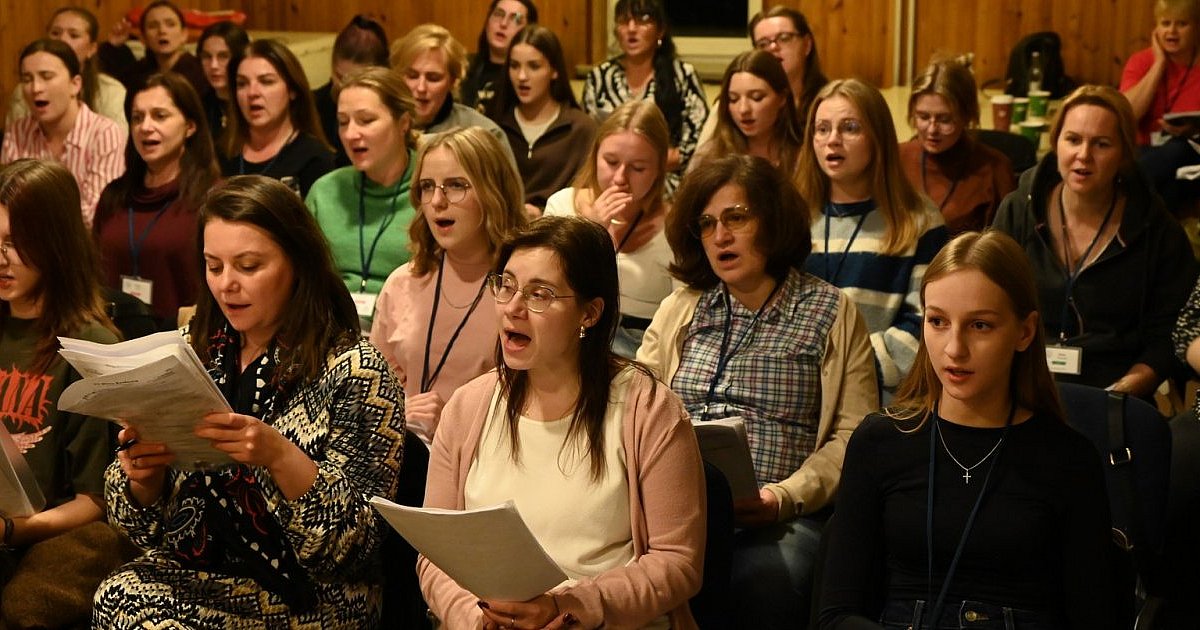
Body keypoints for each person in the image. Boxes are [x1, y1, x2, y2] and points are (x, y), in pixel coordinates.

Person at [92, 175, 406, 627]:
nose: (226, 285)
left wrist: (278, 455)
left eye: (249, 266)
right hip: (202, 567)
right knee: (116, 597)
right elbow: (139, 530)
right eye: (213, 266)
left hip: (311, 593)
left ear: (296, 262)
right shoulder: (192, 349)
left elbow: (357, 549)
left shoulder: (356, 369)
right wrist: (144, 481)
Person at [818, 230, 1117, 629]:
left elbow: (1094, 617)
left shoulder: (1067, 459)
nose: (953, 348)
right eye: (937, 321)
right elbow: (836, 614)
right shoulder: (880, 442)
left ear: (1024, 332)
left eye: (980, 326)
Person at [418, 215, 705, 629]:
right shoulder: (468, 406)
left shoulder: (649, 409)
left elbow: (677, 563)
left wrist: (571, 607)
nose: (514, 308)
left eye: (540, 294)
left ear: (589, 313)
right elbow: (435, 554)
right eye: (507, 285)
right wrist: (474, 618)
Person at [638, 154, 878, 629]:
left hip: (778, 515)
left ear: (773, 221)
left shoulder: (829, 311)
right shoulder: (681, 307)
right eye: (706, 224)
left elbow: (855, 437)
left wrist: (783, 496)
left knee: (762, 581)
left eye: (736, 218)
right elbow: (637, 409)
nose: (720, 236)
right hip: (673, 509)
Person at [994, 85, 1197, 398]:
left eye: (1101, 144)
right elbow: (988, 303)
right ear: (1056, 143)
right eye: (1073, 140)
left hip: (1114, 387)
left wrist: (1125, 389)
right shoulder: (1019, 209)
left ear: (1125, 154)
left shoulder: (1156, 228)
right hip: (1021, 381)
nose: (1083, 156)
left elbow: (1170, 334)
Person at [0, 159, 122, 628]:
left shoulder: (88, 346)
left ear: (53, 241)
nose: (2, 256)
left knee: (23, 607)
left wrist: (13, 529)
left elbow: (96, 502)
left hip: (52, 532)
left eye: (15, 242)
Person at [370, 127, 527, 442]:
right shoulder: (403, 282)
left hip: (488, 458)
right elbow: (371, 396)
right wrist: (402, 411)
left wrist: (454, 424)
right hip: (405, 458)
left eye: (456, 186)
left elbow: (535, 406)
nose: (437, 201)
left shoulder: (521, 290)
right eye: (428, 187)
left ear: (492, 191)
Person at [797, 79, 948, 394]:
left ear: (877, 138)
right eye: (822, 129)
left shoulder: (919, 219)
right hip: (797, 391)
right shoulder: (794, 217)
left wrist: (845, 371)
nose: (832, 140)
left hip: (879, 395)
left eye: (849, 128)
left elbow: (927, 324)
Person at [544, 100, 673, 359]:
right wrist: (592, 232)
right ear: (595, 156)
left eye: (638, 168)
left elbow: (684, 315)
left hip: (641, 348)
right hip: (569, 337)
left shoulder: (675, 226)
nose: (620, 178)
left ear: (659, 169)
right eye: (611, 162)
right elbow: (545, 287)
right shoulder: (562, 204)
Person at [94, 73, 220, 330]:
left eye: (160, 116)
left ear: (190, 126)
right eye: (137, 118)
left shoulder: (212, 199)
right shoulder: (114, 196)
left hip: (185, 340)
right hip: (113, 339)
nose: (145, 127)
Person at [306, 68, 418, 327]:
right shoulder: (325, 191)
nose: (350, 134)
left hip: (408, 332)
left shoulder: (431, 190)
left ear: (404, 123)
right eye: (343, 122)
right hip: (331, 331)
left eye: (366, 120)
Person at [583, 0, 708, 195]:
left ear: (660, 31)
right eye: (624, 21)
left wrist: (644, 166)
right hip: (609, 180)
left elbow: (700, 144)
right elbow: (589, 139)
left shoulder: (683, 75)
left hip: (671, 185)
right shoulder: (599, 77)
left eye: (642, 21)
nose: (631, 29)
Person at [1, 39, 125, 226]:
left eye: (47, 76)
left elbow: (95, 213)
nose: (36, 88)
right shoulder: (18, 132)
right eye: (27, 79)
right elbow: (6, 205)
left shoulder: (104, 133)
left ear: (75, 84)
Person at [899, 55, 1016, 234]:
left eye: (944, 120)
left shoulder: (996, 169)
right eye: (923, 117)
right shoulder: (896, 158)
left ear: (967, 116)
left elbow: (1004, 248)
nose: (932, 130)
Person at [490, 25, 596, 215]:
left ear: (554, 71)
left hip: (559, 232)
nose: (522, 76)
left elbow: (588, 196)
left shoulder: (581, 128)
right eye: (514, 66)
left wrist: (544, 213)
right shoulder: (494, 127)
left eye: (534, 66)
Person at [696, 6, 828, 150]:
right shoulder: (729, 105)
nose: (773, 47)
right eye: (763, 44)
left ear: (807, 44)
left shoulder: (827, 101)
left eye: (784, 38)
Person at [219, 39, 336, 198]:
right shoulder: (221, 153)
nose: (252, 92)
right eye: (242, 84)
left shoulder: (315, 160)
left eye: (266, 82)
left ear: (292, 90)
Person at [390, 24, 517, 168]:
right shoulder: (381, 127)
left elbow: (509, 190)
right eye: (412, 76)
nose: (421, 88)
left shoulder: (485, 134)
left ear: (453, 81)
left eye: (433, 78)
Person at [1120, 0, 1200, 214]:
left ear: (1196, 28)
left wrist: (1193, 130)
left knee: (1179, 148)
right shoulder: (1141, 62)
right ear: (1156, 29)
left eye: (1181, 24)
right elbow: (1127, 115)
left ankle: (1119, 193)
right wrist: (1158, 65)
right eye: (1165, 23)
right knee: (1171, 189)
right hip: (1143, 152)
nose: (1172, 31)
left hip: (1192, 153)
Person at [5, 6, 127, 133]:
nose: (62, 40)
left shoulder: (111, 90)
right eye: (55, 33)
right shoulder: (26, 90)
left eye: (74, 35)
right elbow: (17, 143)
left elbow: (116, 142)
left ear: (92, 49)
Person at [693, 50, 803, 178]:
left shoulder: (804, 157)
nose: (743, 109)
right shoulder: (711, 157)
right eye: (733, 99)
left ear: (782, 98)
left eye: (756, 97)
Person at [97, 0, 210, 109]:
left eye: (170, 24)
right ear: (143, 38)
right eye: (153, 26)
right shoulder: (138, 73)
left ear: (184, 35)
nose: (162, 31)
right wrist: (112, 45)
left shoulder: (201, 71)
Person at [312, 15, 389, 166]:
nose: (345, 88)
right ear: (333, 65)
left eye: (358, 80)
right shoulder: (313, 105)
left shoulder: (392, 106)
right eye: (340, 77)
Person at [460, 0, 539, 113]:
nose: (503, 23)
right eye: (498, 14)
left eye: (516, 19)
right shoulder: (463, 67)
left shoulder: (527, 77)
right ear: (488, 21)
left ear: (529, 30)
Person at [196, 21, 250, 146]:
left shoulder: (253, 102)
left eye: (223, 56)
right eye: (207, 57)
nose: (213, 66)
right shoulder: (200, 105)